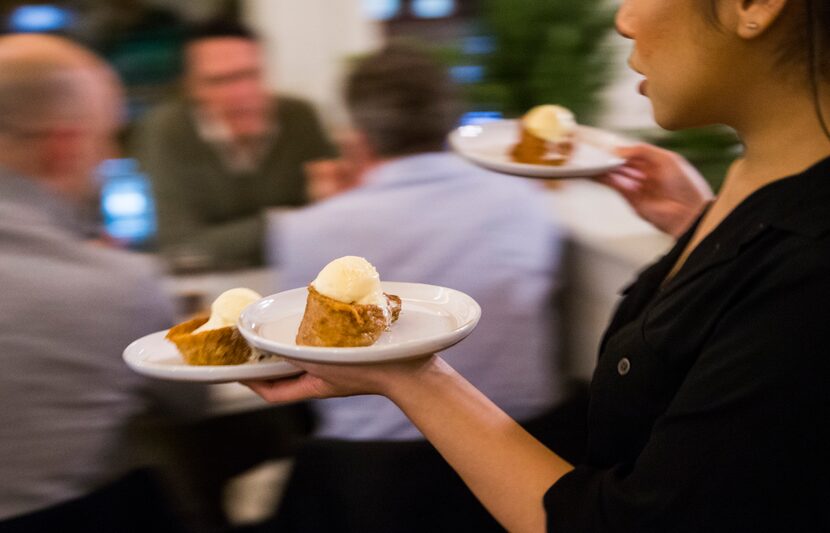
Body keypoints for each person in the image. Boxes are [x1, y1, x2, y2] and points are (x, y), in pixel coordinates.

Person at [245, 0, 830, 531]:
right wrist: (697, 225)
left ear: (754, 6)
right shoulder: (759, 193)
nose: (622, 19)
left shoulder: (809, 268)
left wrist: (408, 373)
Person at [265, 44, 580, 532]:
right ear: (448, 120)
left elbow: (298, 356)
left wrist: (330, 208)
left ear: (358, 136)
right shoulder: (528, 203)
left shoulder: (307, 231)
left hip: (376, 493)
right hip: (532, 466)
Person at [0, 35, 204, 531]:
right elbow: (189, 399)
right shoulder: (117, 285)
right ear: (63, 145)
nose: (108, 156)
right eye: (106, 137)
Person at [130, 19, 335, 271]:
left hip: (296, 282)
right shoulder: (167, 131)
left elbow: (334, 220)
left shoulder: (299, 117)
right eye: (220, 81)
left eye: (251, 75)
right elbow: (180, 247)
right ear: (192, 88)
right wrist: (285, 224)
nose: (241, 92)